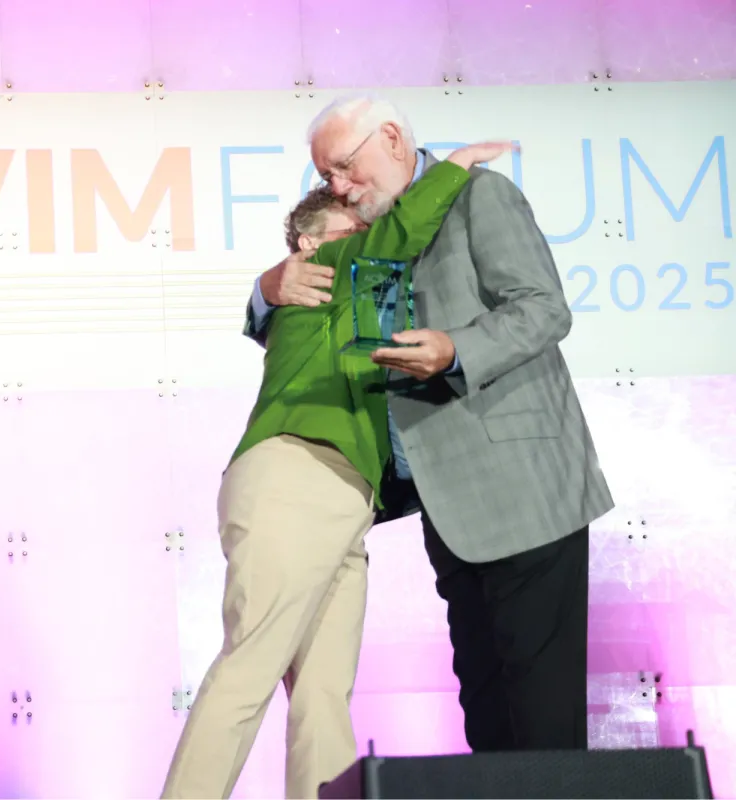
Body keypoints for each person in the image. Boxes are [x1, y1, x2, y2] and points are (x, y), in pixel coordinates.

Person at [243, 96, 614, 756]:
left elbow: (542, 309)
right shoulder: (360, 232)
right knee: (486, 711)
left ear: (390, 137)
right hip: (447, 503)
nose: (338, 187)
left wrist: (457, 349)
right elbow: (287, 323)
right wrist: (267, 286)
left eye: (344, 168)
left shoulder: (479, 198)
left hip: (525, 486)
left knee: (541, 717)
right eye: (328, 177)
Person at [162, 141, 517, 800]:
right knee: (253, 665)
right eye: (351, 228)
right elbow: (396, 232)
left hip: (342, 500)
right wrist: (456, 164)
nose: (363, 237)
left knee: (323, 697)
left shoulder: (354, 304)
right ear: (305, 242)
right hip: (297, 477)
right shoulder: (321, 271)